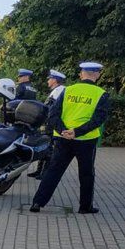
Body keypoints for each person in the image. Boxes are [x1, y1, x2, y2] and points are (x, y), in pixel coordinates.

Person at [29, 62, 111, 214]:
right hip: (86, 140)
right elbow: (98, 119)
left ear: (82, 74)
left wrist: (63, 130)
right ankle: (85, 207)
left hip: (62, 138)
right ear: (97, 74)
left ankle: (37, 203)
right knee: (86, 174)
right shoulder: (101, 94)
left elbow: (53, 114)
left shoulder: (67, 91)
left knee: (53, 171)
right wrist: (77, 132)